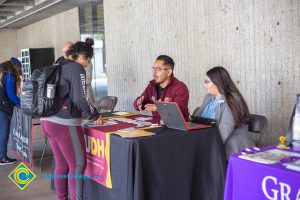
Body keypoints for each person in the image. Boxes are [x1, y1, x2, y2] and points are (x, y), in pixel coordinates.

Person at [40, 41, 103, 200]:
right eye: (88, 60)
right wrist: (93, 115)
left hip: (48, 121)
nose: (88, 65)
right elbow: (80, 98)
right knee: (77, 165)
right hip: (64, 123)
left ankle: (62, 198)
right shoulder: (76, 68)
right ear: (82, 56)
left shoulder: (60, 63)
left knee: (62, 165)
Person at [192, 66, 254, 160]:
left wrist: (207, 147)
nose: (204, 85)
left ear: (217, 82)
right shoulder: (208, 97)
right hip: (209, 140)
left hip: (229, 146)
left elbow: (225, 128)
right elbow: (198, 120)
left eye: (207, 82)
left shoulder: (232, 99)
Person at [133, 55, 190, 121]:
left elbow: (180, 112)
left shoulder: (180, 87)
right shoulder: (152, 85)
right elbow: (140, 102)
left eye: (158, 69)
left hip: (178, 127)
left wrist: (159, 108)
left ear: (168, 72)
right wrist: (138, 103)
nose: (154, 73)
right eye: (153, 69)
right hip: (158, 125)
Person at [0, 61, 21, 165]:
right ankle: (3, 158)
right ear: (15, 66)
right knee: (4, 133)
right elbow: (11, 95)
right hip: (3, 108)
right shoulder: (9, 75)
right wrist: (22, 104)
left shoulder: (2, 74)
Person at [84, 38, 95, 105]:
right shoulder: (89, 49)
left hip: (87, 65)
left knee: (87, 84)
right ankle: (91, 102)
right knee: (88, 84)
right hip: (88, 65)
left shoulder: (88, 49)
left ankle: (90, 102)